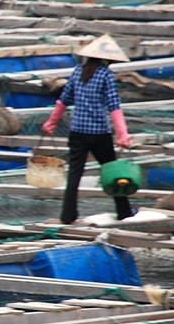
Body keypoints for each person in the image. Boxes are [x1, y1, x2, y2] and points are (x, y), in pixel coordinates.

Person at [41, 34, 135, 225]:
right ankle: (124, 211)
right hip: (100, 133)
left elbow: (63, 100)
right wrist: (122, 134)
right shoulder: (105, 75)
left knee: (74, 174)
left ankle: (67, 216)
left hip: (78, 133)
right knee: (112, 172)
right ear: (106, 59)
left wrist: (51, 123)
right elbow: (114, 106)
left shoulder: (77, 71)